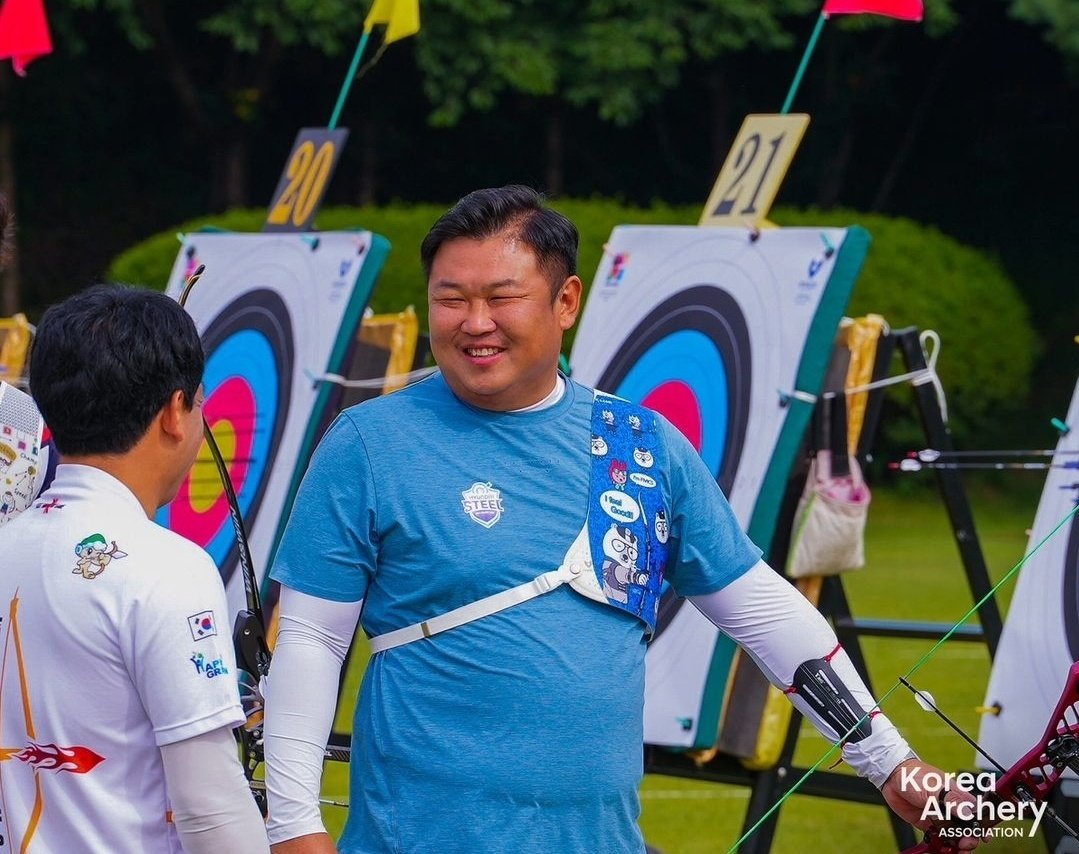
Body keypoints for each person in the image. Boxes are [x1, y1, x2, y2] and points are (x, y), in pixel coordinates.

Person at [263, 186, 979, 853]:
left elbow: (760, 611)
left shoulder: (640, 447)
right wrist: (294, 827)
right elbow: (309, 642)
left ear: (565, 300)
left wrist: (890, 763)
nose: (473, 323)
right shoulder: (368, 443)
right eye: (450, 300)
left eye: (501, 297)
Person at [0, 285, 269, 853]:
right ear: (176, 412)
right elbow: (210, 807)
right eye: (200, 403)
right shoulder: (167, 569)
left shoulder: (9, 543)